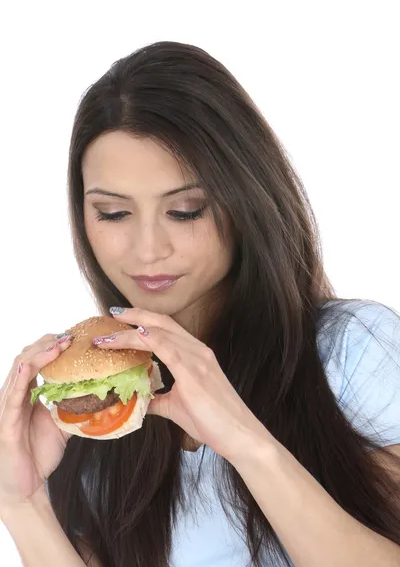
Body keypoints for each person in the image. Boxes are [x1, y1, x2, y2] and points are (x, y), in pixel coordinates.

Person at [1, 41, 400, 567]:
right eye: (113, 213)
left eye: (186, 210)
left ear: (247, 200)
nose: (148, 250)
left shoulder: (352, 350)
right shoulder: (88, 415)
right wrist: (21, 503)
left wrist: (245, 441)